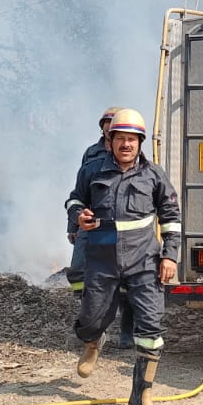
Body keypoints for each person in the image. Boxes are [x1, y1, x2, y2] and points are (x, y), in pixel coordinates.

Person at [66, 107, 181, 405]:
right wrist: (79, 216)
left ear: (140, 142)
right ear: (110, 140)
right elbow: (74, 199)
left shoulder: (154, 175)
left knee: (152, 328)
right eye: (120, 139)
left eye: (132, 139)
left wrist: (170, 255)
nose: (126, 144)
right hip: (102, 262)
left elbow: (171, 217)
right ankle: (92, 341)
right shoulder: (93, 170)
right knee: (91, 319)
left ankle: (141, 398)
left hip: (144, 262)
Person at [65, 104, 135, 350]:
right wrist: (73, 223)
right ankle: (92, 327)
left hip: (121, 226)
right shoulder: (91, 154)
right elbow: (79, 192)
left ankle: (126, 332)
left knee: (126, 283)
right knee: (79, 272)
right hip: (91, 224)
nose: (110, 128)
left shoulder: (131, 154)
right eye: (107, 124)